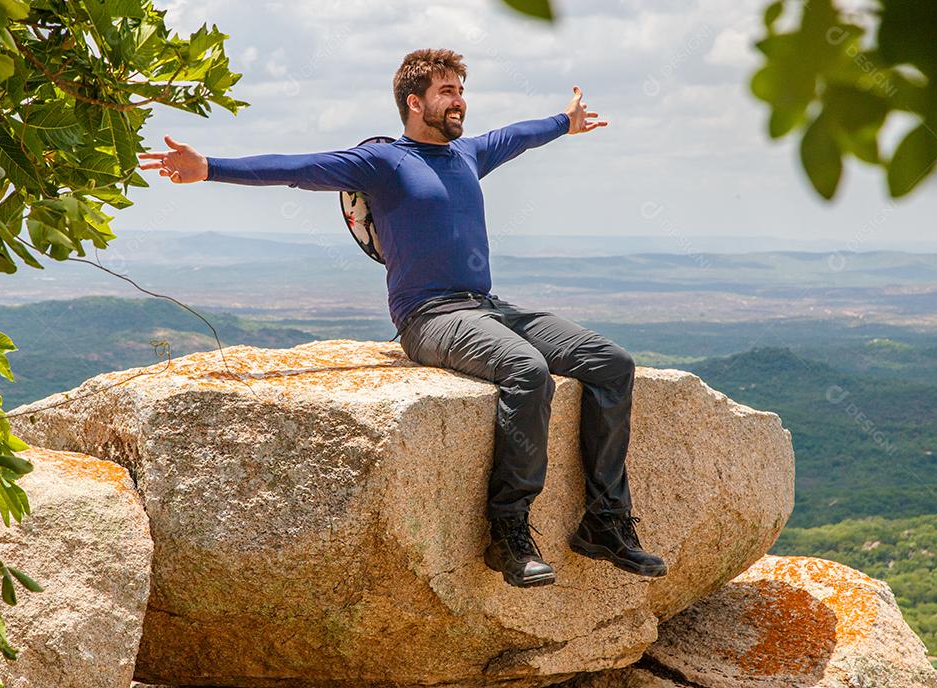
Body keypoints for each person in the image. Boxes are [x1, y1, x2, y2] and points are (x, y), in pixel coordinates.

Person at [138, 48, 667, 589]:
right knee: (526, 369)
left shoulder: (468, 155)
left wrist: (565, 121)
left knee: (610, 362)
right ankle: (508, 530)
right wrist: (209, 169)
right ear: (414, 103)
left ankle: (603, 522)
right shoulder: (385, 163)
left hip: (487, 306)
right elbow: (298, 168)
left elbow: (519, 135)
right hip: (429, 316)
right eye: (446, 91)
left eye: (461, 90)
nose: (459, 101)